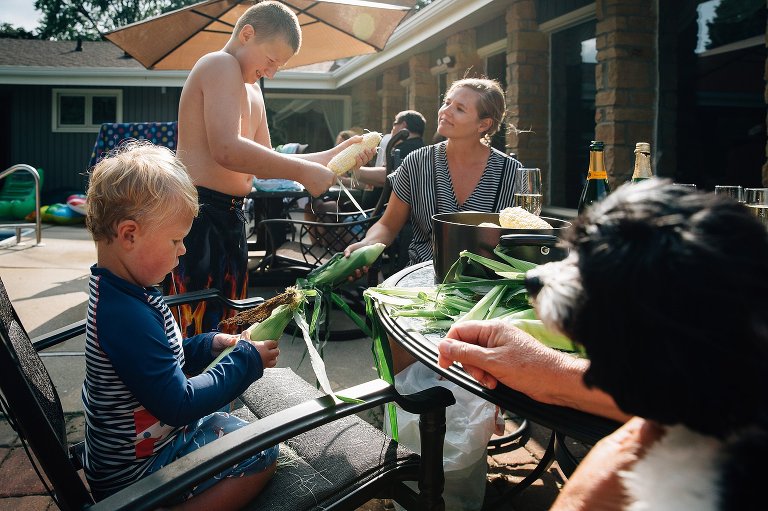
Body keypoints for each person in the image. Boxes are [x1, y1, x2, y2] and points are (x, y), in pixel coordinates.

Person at [82, 141, 280, 509]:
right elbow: (178, 402)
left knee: (229, 421)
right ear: (129, 235)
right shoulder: (124, 315)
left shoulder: (129, 292)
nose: (183, 250)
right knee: (261, 453)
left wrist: (210, 344)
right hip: (137, 474)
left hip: (144, 447)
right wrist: (246, 361)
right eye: (175, 240)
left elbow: (160, 360)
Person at [166, 1, 375, 337]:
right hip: (199, 213)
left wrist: (333, 156)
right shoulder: (220, 64)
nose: (273, 72)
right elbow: (227, 149)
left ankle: (221, 384)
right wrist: (304, 173)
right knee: (198, 319)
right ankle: (192, 387)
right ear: (247, 34)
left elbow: (264, 158)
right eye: (272, 60)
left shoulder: (252, 87)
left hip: (232, 216)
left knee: (229, 319)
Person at [346, 78, 522, 372]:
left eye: (460, 108)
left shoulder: (510, 172)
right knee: (408, 386)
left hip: (484, 295)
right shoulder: (417, 163)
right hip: (420, 288)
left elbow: (514, 241)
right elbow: (387, 225)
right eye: (447, 103)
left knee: (476, 393)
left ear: (484, 124)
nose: (446, 111)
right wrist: (367, 245)